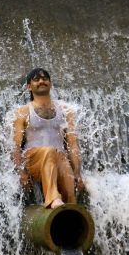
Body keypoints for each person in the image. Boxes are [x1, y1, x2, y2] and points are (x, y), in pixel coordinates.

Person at [12, 68, 85, 208]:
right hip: (33, 159)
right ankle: (53, 199)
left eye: (45, 78)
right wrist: (21, 173)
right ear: (29, 87)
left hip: (58, 157)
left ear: (50, 83)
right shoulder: (23, 111)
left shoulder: (65, 110)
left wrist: (77, 173)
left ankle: (70, 216)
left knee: (70, 187)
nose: (41, 81)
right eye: (36, 79)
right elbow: (15, 146)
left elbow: (73, 144)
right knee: (49, 151)